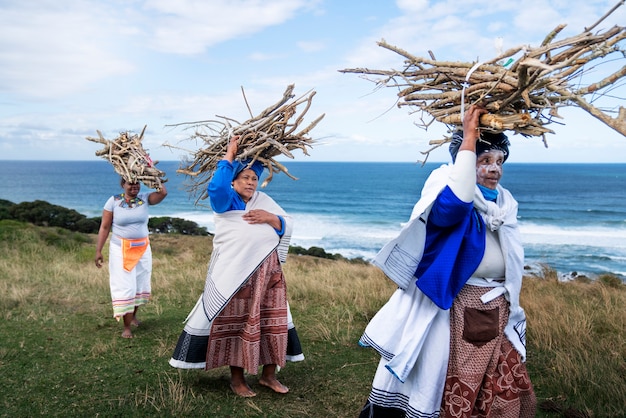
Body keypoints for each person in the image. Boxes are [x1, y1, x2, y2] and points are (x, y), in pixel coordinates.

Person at [358, 105, 536, 417]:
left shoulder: (506, 206)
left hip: (498, 307)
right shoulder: (447, 192)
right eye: (484, 161)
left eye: (499, 161)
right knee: (448, 382)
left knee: (500, 382)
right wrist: (468, 139)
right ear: (465, 164)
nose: (494, 169)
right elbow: (456, 204)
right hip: (454, 310)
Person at [169, 136, 296, 398]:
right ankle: (237, 380)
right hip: (238, 277)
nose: (251, 182)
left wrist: (272, 218)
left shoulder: (262, 202)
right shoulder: (225, 202)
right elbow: (216, 187)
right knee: (239, 323)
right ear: (233, 181)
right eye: (245, 178)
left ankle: (268, 376)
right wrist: (230, 154)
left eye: (254, 178)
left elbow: (286, 224)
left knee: (274, 322)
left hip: (269, 274)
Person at [95, 177, 168, 338]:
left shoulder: (145, 198)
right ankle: (126, 327)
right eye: (130, 183)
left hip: (142, 248)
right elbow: (105, 227)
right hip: (120, 249)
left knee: (140, 284)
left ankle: (133, 315)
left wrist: (154, 176)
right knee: (126, 287)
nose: (134, 186)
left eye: (137, 183)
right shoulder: (113, 201)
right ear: (123, 185)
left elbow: (163, 192)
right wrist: (98, 250)